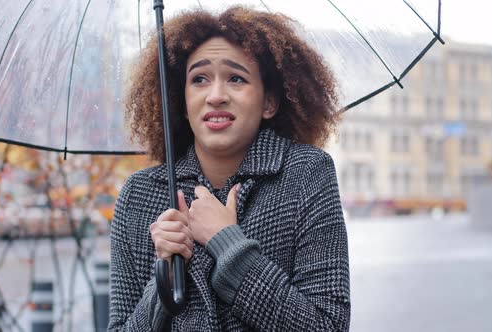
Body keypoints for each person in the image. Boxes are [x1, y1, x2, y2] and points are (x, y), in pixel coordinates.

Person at [108, 6, 350, 332]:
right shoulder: (139, 195)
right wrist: (164, 276)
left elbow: (327, 326)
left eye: (236, 78)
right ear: (182, 100)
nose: (216, 96)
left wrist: (228, 245)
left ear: (269, 102)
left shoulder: (306, 174)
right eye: (199, 79)